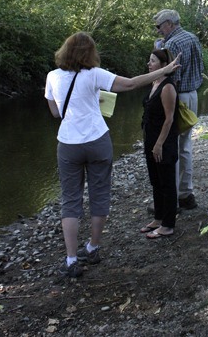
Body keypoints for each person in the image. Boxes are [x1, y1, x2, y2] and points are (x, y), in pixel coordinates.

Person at [45, 32, 180, 278]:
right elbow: (130, 84)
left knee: (70, 200)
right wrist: (165, 70)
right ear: (90, 53)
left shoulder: (52, 76)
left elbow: (55, 112)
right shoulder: (95, 74)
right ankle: (93, 248)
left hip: (68, 144)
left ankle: (71, 259)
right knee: (99, 195)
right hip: (97, 141)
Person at [152, 9, 204, 210]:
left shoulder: (172, 44)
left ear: (169, 24)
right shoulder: (192, 38)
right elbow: (200, 68)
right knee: (185, 146)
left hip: (177, 96)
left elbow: (169, 76)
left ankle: (170, 199)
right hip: (192, 95)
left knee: (170, 146)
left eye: (159, 26)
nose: (158, 30)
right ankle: (186, 194)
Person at [140, 49, 178, 239]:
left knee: (167, 183)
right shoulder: (154, 83)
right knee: (156, 181)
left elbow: (169, 119)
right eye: (149, 60)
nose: (149, 64)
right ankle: (158, 218)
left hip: (163, 143)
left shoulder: (167, 87)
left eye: (153, 61)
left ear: (164, 65)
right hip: (151, 139)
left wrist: (159, 144)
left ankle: (168, 225)